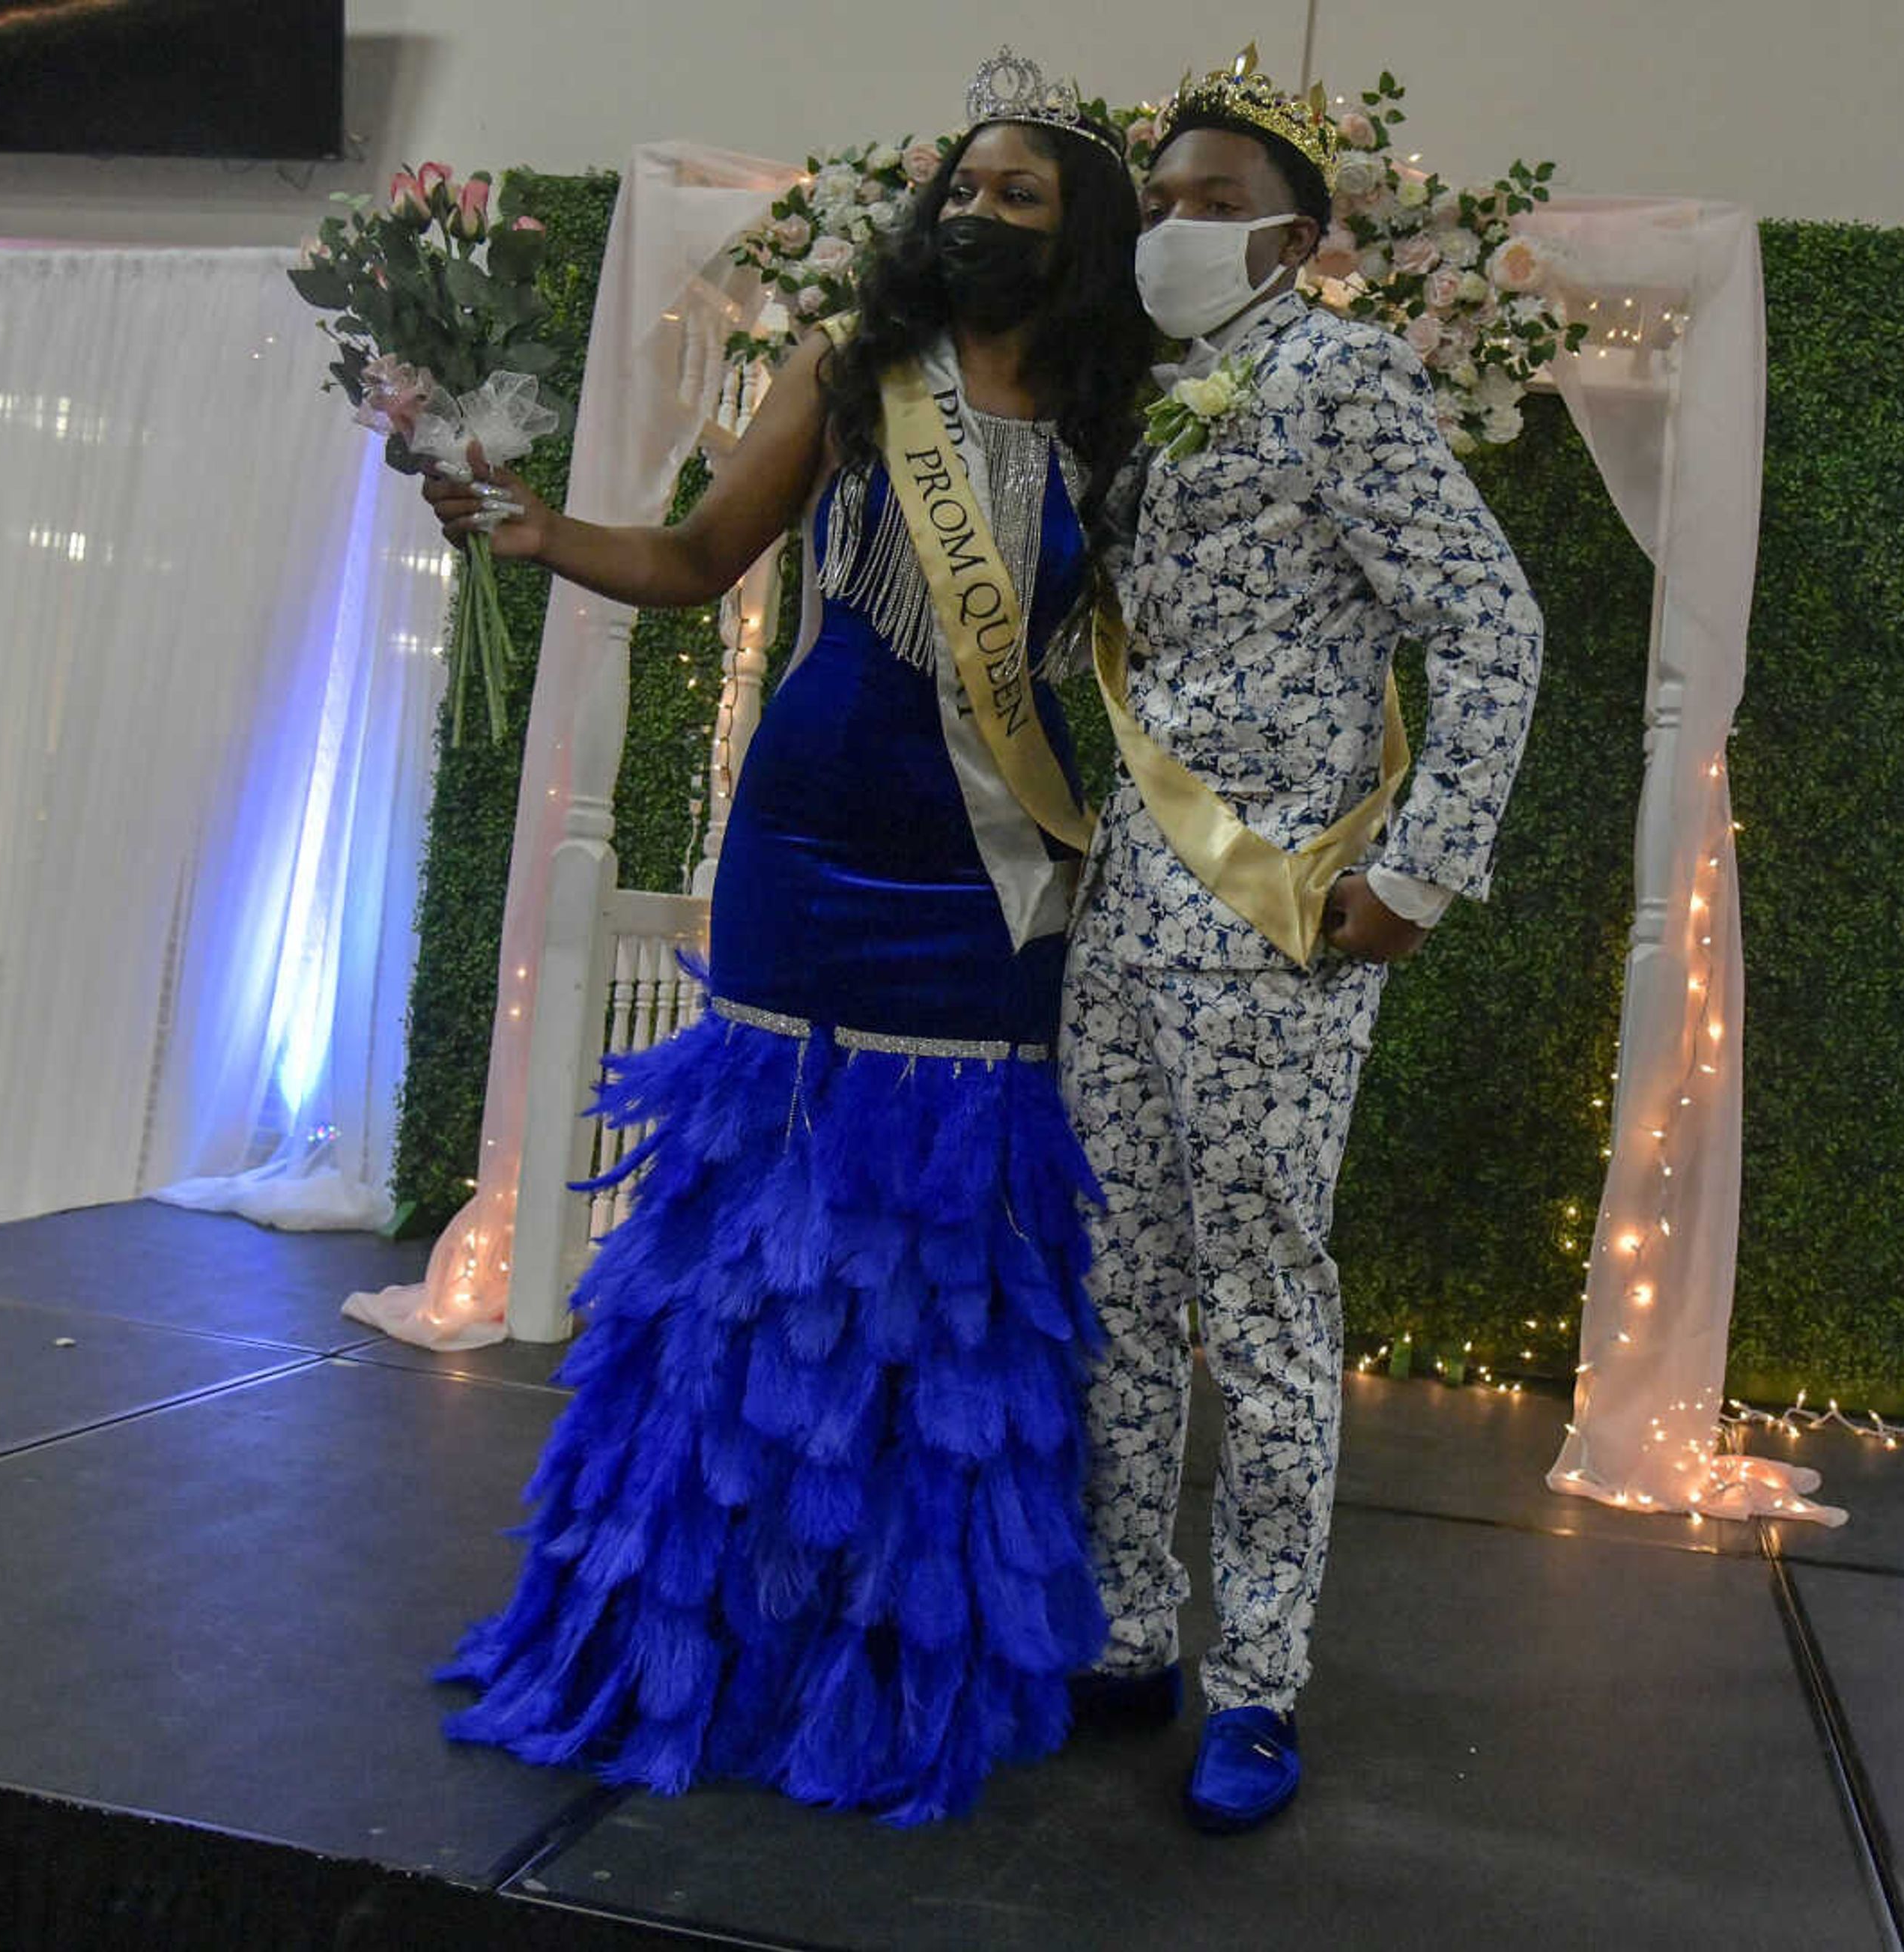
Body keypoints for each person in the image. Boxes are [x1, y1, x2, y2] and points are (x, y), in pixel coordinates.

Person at [417, 49, 1153, 1824]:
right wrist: (527, 533)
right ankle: (697, 1626)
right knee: (755, 1235)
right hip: (814, 836)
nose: (974, 214)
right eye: (961, 186)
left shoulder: (1134, 417)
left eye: (1017, 197)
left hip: (996, 868)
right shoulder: (852, 373)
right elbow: (692, 567)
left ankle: (894, 1648)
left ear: (1084, 241)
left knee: (947, 1253)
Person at [1061, 55, 1544, 1833]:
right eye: (1158, 202)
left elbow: (1497, 629)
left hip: (1274, 921)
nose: (1174, 227)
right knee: (1114, 1285)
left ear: (1295, 236)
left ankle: (1259, 1680)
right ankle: (1126, 1632)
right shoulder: (1128, 387)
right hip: (1120, 910)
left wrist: (1418, 877)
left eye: (1208, 202)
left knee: (1260, 1308)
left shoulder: (1336, 373)